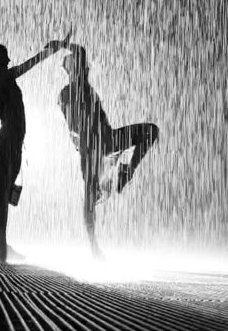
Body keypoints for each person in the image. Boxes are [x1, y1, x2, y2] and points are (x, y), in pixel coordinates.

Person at [0, 33, 70, 262]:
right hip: (7, 145)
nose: (6, 63)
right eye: (2, 60)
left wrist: (50, 51)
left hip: (10, 144)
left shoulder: (0, 81)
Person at [58, 44, 159, 258]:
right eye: (81, 66)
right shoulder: (68, 92)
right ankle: (94, 245)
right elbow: (72, 126)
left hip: (107, 140)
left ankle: (127, 171)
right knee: (90, 194)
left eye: (84, 66)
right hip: (92, 146)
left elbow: (82, 51)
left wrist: (61, 45)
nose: (86, 69)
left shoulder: (83, 87)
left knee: (151, 131)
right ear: (72, 70)